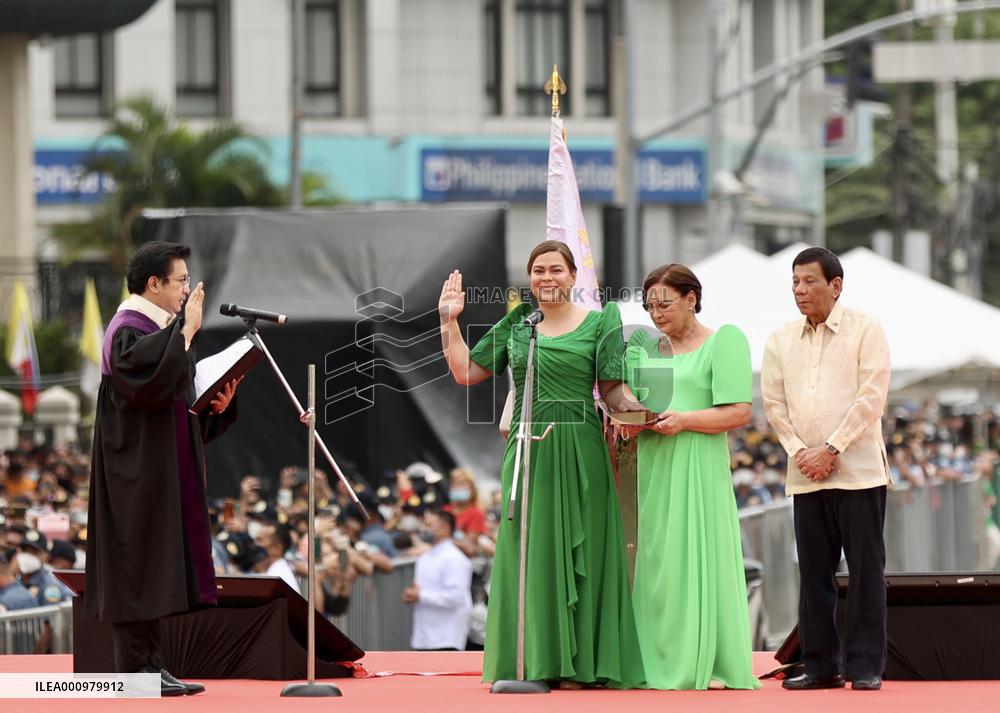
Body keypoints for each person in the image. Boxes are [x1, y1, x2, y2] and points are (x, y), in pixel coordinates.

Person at [438, 240, 644, 687]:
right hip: (527, 445)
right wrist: (448, 321)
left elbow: (611, 391)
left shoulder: (601, 321)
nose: (546, 278)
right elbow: (464, 371)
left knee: (584, 550)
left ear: (573, 276)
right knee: (529, 552)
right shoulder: (518, 324)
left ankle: (583, 667)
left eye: (555, 270)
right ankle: (536, 662)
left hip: (581, 445)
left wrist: (639, 410)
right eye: (538, 271)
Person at [85, 241, 241, 697]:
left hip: (154, 474)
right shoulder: (127, 329)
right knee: (137, 571)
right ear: (153, 284)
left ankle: (153, 669)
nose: (187, 291)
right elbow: (144, 388)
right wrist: (187, 333)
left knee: (152, 571)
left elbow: (172, 409)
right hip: (131, 479)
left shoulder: (158, 333)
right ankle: (137, 676)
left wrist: (212, 408)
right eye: (181, 282)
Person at [618, 263, 759, 690]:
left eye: (665, 303)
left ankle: (706, 658)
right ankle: (655, 655)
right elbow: (630, 398)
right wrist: (628, 415)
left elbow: (738, 411)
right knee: (658, 558)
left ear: (690, 298)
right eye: (649, 306)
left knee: (698, 552)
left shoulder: (724, 342)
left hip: (698, 460)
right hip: (654, 461)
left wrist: (686, 420)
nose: (657, 313)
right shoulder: (643, 350)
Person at [761, 247, 891, 692]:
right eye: (795, 282)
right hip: (805, 474)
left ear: (836, 285)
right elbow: (773, 405)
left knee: (865, 571)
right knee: (813, 573)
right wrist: (801, 451)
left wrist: (832, 447)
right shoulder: (780, 339)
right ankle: (820, 666)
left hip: (859, 473)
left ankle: (865, 666)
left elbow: (872, 396)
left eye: (810, 281)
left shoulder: (865, 329)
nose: (800, 290)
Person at [402, 509, 473, 651]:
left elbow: (456, 598)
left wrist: (420, 596)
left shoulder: (454, 559)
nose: (423, 529)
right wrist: (412, 595)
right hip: (423, 638)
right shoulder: (425, 557)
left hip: (446, 638)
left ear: (445, 529)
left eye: (429, 525)